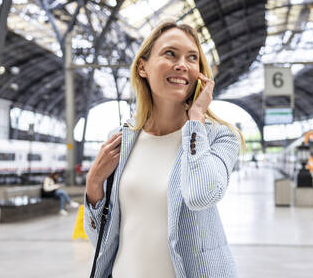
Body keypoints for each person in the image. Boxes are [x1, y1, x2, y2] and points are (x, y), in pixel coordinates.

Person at [84, 20, 245, 278]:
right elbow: (102, 242)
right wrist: (93, 183)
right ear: (143, 67)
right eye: (170, 53)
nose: (182, 64)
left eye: (192, 58)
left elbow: (201, 195)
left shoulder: (219, 137)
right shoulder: (121, 140)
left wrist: (196, 121)